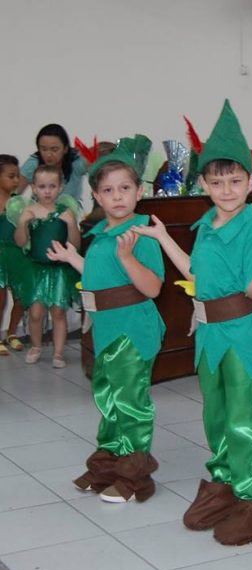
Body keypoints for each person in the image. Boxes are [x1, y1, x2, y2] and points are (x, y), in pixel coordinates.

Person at [134, 99, 252, 543]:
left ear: (251, 181)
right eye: (217, 182)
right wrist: (163, 238)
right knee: (216, 415)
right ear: (203, 183)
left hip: (241, 334)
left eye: (236, 181)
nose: (227, 190)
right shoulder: (206, 226)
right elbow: (196, 274)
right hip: (209, 336)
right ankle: (224, 483)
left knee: (245, 417)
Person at [47, 142, 165, 503]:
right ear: (97, 196)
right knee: (108, 399)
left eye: (124, 188)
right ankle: (108, 464)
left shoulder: (140, 234)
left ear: (139, 192)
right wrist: (73, 258)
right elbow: (101, 279)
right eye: (108, 190)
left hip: (132, 330)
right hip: (107, 330)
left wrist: (128, 257)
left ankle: (135, 476)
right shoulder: (100, 236)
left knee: (130, 403)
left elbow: (152, 287)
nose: (117, 196)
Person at [14, 165, 81, 367]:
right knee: (35, 313)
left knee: (58, 312)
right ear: (34, 188)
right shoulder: (29, 211)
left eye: (52, 186)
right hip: (35, 269)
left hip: (59, 270)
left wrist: (71, 224)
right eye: (42, 187)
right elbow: (20, 242)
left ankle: (58, 353)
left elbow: (76, 245)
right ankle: (36, 346)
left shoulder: (65, 212)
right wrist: (22, 224)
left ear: (60, 188)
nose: (47, 191)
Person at [18, 124, 88, 201]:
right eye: (44, 149)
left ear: (65, 149)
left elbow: (96, 162)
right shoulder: (33, 164)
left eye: (54, 150)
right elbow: (14, 193)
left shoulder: (76, 162)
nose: (48, 155)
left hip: (71, 208)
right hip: (39, 208)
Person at [0, 154, 26, 354]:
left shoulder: (19, 203)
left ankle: (12, 333)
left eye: (17, 176)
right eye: (11, 176)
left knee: (21, 296)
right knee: (1, 299)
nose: (16, 180)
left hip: (17, 254)